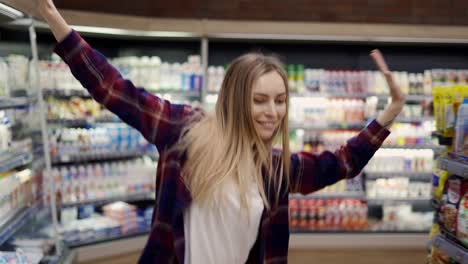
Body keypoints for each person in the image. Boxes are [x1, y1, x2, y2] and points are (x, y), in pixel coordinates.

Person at [8, 0, 406, 263]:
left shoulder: (274, 168)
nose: (272, 112)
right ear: (234, 98)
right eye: (259, 100)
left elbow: (341, 163)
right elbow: (114, 90)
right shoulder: (186, 132)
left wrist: (392, 109)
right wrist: (52, 17)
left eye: (280, 100)